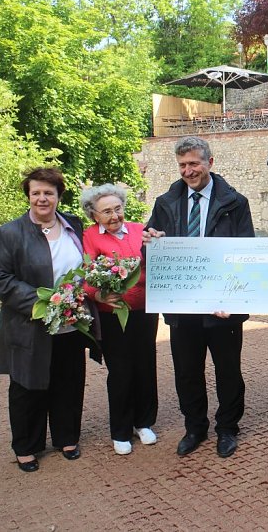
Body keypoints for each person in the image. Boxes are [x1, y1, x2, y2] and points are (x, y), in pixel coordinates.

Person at [142, 136, 254, 459]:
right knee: (187, 371)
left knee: (228, 371)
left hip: (222, 307)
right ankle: (195, 428)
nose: (188, 171)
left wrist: (233, 300)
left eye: (194, 163)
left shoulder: (236, 203)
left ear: (210, 163)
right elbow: (148, 249)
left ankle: (228, 428)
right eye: (182, 165)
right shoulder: (165, 203)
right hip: (182, 306)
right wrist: (150, 242)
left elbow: (245, 252)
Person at [0, 167, 95, 472]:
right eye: (36, 193)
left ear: (59, 196)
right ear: (28, 196)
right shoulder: (10, 233)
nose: (42, 198)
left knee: (68, 381)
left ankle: (67, 437)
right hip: (30, 323)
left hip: (71, 322)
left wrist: (73, 302)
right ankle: (26, 446)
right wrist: (43, 303)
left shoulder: (73, 225)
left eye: (49, 192)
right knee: (27, 385)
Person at [80, 184, 159, 456]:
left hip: (145, 311)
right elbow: (86, 275)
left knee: (145, 365)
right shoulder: (89, 236)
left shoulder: (140, 230)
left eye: (118, 209)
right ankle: (121, 430)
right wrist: (99, 294)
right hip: (111, 316)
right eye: (106, 212)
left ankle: (144, 422)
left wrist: (159, 241)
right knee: (121, 370)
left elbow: (158, 258)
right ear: (94, 215)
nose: (114, 216)